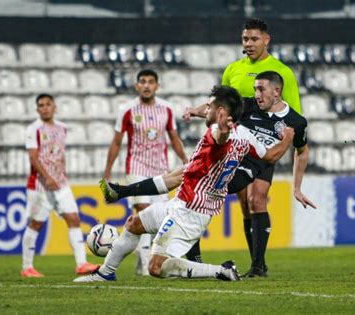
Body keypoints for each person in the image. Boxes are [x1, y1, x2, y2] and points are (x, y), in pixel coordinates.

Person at [101, 71, 316, 277]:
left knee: (198, 184)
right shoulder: (249, 106)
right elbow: (218, 105)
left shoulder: (296, 122)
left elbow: (298, 152)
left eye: (261, 90)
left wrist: (296, 185)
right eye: (255, 90)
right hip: (230, 151)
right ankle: (123, 192)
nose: (257, 94)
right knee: (187, 176)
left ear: (276, 91)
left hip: (242, 165)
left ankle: (251, 264)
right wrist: (196, 111)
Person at [182, 18, 304, 271]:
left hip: (263, 146)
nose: (248, 44)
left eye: (254, 39)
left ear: (266, 40)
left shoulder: (281, 72)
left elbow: (291, 115)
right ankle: (249, 261)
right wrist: (195, 110)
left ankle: (259, 264)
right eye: (245, 39)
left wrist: (282, 146)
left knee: (258, 199)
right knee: (245, 206)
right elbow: (219, 103)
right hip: (237, 144)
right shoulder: (232, 70)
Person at [103, 69, 188, 275]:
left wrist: (186, 161)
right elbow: (116, 141)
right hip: (137, 167)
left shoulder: (166, 109)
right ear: (136, 86)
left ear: (157, 86)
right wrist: (107, 172)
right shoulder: (127, 109)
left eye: (151, 81)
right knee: (141, 211)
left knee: (159, 219)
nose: (147, 85)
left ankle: (148, 260)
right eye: (143, 81)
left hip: (161, 170)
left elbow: (174, 138)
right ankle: (144, 264)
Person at [20, 93, 99, 278]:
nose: (45, 107)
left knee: (73, 218)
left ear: (54, 107)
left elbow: (59, 153)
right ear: (37, 109)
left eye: (48, 104)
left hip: (61, 184)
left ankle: (81, 264)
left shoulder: (62, 128)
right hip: (40, 185)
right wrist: (47, 177)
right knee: (35, 224)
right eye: (41, 105)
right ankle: (27, 267)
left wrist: (61, 171)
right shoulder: (34, 129)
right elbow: (33, 157)